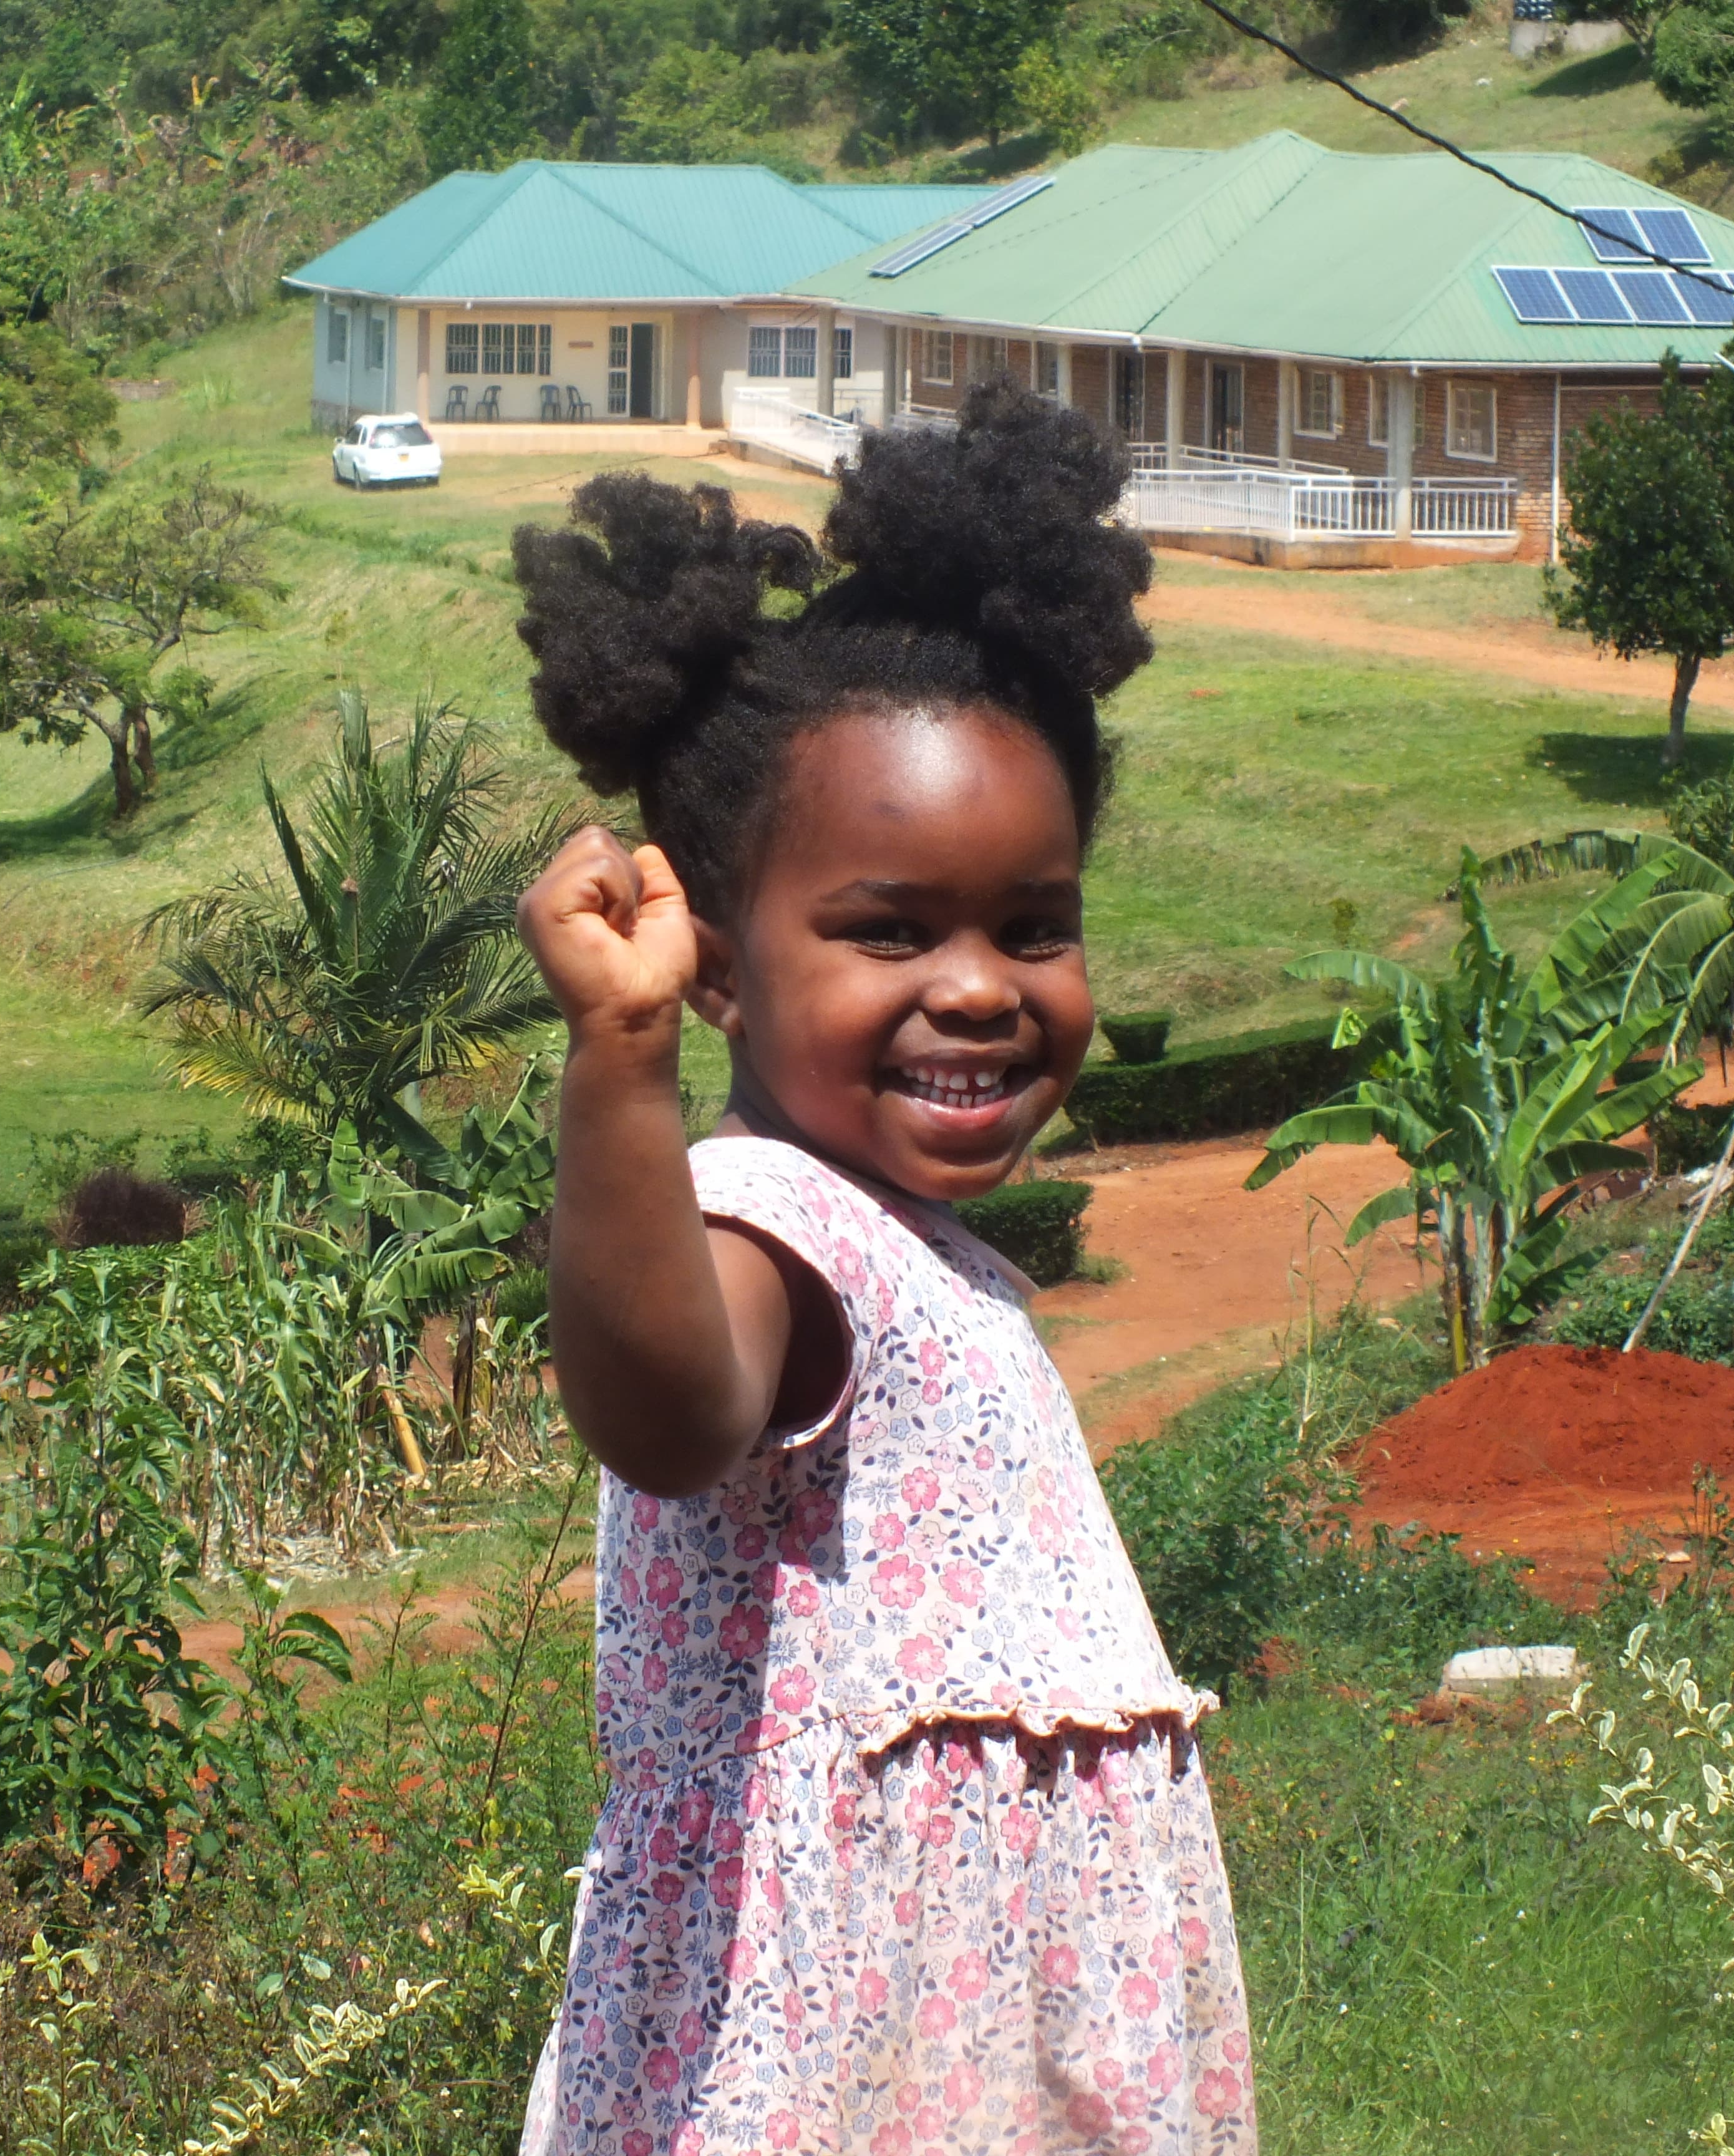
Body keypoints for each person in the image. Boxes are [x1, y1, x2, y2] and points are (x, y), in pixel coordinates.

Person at [507, 380, 1256, 2156]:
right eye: (890, 931)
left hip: (978, 2063)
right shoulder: (772, 1224)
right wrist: (619, 1060)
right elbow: (669, 1413)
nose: (982, 986)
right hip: (835, 2070)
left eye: (1037, 927)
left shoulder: (937, 1258)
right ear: (716, 966)